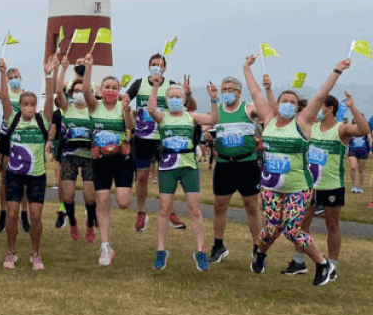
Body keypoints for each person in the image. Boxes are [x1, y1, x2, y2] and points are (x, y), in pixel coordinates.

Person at [243, 54, 345, 285]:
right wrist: (247, 67)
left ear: (298, 107)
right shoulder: (268, 119)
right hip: (271, 187)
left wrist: (337, 71)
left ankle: (322, 265)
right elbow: (255, 92)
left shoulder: (302, 123)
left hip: (299, 187)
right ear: (277, 104)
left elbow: (320, 95)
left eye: (292, 102)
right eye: (284, 101)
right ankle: (260, 253)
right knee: (272, 228)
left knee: (291, 228)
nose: (288, 105)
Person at [281, 94, 369, 279]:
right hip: (309, 185)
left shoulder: (341, 129)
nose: (316, 109)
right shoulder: (310, 128)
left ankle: (332, 266)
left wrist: (352, 107)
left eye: (319, 106)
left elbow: (363, 129)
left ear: (329, 109)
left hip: (332, 186)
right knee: (302, 223)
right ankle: (299, 262)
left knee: (332, 224)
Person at [147, 77, 218, 271]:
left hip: (188, 166)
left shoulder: (191, 116)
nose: (175, 99)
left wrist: (213, 99)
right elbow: (151, 109)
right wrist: (154, 87)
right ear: (167, 100)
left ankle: (200, 250)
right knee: (164, 209)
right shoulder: (163, 117)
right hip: (168, 166)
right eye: (172, 97)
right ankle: (161, 250)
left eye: (178, 96)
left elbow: (213, 119)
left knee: (195, 209)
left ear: (184, 99)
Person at [0, 56, 56, 269]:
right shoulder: (12, 119)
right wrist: (2, 74)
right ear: (20, 105)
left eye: (32, 104)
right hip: (14, 174)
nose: (29, 108)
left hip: (37, 175)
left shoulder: (42, 120)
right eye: (25, 104)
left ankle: (35, 254)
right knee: (12, 214)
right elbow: (4, 97)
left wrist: (48, 74)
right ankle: (11, 253)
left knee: (36, 215)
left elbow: (50, 99)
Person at [80, 54, 135, 266]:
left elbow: (130, 126)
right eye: (107, 87)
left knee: (123, 202)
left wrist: (127, 109)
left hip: (121, 159)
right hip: (100, 159)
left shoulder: (123, 107)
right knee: (102, 202)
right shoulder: (95, 106)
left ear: (119, 91)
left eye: (114, 87)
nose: (111, 90)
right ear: (101, 90)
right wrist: (89, 68)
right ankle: (105, 246)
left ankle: (105, 240)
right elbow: (85, 91)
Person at [206, 76, 265, 265]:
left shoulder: (247, 108)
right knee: (220, 207)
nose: (228, 93)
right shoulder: (217, 111)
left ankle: (258, 247)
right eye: (225, 89)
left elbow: (263, 113)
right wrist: (208, 134)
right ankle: (218, 246)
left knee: (252, 207)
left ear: (239, 92)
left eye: (231, 89)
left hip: (247, 163)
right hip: (224, 164)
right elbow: (207, 126)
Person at [125, 55, 187, 232]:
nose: (156, 67)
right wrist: (125, 102)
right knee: (142, 176)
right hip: (143, 137)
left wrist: (187, 94)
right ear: (148, 67)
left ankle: (171, 213)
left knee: (167, 177)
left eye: (159, 65)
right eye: (153, 64)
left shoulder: (171, 85)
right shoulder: (139, 83)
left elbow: (181, 104)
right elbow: (126, 98)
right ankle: (141, 213)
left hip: (164, 137)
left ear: (165, 68)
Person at [0, 54, 32, 236]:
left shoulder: (27, 96)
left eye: (15, 78)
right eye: (10, 79)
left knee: (24, 179)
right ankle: (3, 212)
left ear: (21, 78)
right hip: (6, 137)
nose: (13, 81)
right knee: (4, 178)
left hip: (24, 138)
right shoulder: (5, 93)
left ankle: (24, 213)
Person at [54, 57, 98, 243]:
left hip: (89, 156)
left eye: (82, 91)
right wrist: (63, 68)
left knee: (89, 196)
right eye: (76, 91)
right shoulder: (67, 108)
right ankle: (72, 221)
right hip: (69, 156)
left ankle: (90, 225)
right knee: (68, 195)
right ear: (71, 93)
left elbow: (87, 89)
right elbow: (57, 91)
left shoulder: (93, 109)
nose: (79, 94)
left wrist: (88, 68)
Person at [346, 122, 369, 193]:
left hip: (363, 151)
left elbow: (370, 139)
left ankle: (360, 187)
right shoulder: (350, 131)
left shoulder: (366, 131)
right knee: (353, 167)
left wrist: (371, 149)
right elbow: (346, 140)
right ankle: (353, 186)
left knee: (361, 169)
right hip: (352, 151)